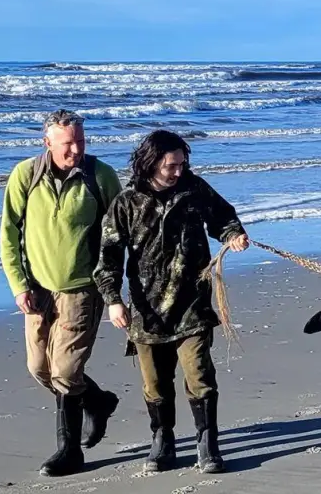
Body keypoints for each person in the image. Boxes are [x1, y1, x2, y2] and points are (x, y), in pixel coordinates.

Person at [94, 129, 249, 475]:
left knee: (199, 374)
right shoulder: (127, 202)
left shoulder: (194, 190)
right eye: (171, 165)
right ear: (151, 163)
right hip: (146, 310)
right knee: (155, 383)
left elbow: (222, 216)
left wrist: (233, 234)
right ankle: (162, 439)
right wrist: (112, 300)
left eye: (182, 163)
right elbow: (108, 256)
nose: (179, 171)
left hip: (192, 302)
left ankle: (208, 443)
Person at [0, 109, 124, 477]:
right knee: (39, 368)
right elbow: (9, 234)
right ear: (47, 142)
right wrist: (19, 285)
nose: (75, 150)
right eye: (67, 143)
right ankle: (98, 402)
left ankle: (68, 451)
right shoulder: (26, 175)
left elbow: (118, 235)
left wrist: (113, 289)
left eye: (81, 141)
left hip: (83, 289)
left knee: (66, 372)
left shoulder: (100, 176)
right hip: (37, 290)